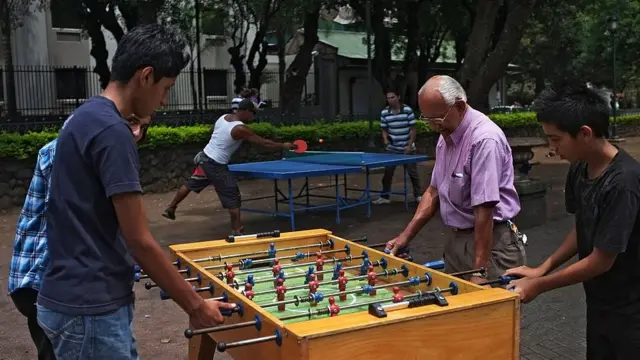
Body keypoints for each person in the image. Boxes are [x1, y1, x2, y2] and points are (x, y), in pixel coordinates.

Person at [36, 24, 236, 360]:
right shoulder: (113, 132)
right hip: (91, 309)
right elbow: (139, 240)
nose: (164, 100)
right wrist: (196, 305)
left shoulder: (85, 116)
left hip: (73, 300)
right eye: (165, 88)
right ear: (145, 76)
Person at [505, 83, 640, 359]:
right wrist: (542, 268)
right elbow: (584, 226)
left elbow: (602, 260)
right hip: (600, 302)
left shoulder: (624, 182)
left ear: (585, 133)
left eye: (555, 139)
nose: (551, 148)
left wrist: (540, 285)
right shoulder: (580, 167)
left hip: (631, 308)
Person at [8, 115, 148, 360]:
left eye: (143, 127)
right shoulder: (70, 150)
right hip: (44, 280)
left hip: (52, 280)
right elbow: (79, 219)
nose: (136, 133)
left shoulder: (94, 145)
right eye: (131, 122)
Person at [385, 75, 526, 284]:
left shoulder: (484, 140)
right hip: (455, 239)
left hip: (490, 243)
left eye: (438, 118)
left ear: (460, 106)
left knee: (490, 314)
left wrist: (480, 269)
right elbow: (434, 191)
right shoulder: (446, 136)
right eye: (427, 119)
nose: (434, 126)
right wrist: (406, 236)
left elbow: (484, 209)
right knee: (459, 312)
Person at [200, 98, 293, 235]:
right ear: (246, 111)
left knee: (194, 184)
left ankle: (172, 208)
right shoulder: (240, 128)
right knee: (233, 196)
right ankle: (237, 230)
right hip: (216, 164)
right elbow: (264, 143)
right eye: (253, 113)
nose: (253, 117)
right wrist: (283, 146)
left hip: (205, 157)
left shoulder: (223, 117)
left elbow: (211, 131)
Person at [372, 90, 422, 204]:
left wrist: (410, 145)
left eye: (392, 97)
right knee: (387, 174)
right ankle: (385, 197)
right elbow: (384, 129)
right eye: (388, 98)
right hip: (392, 150)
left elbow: (413, 129)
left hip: (407, 148)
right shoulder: (385, 112)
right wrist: (385, 139)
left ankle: (418, 196)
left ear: (398, 97)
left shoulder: (407, 110)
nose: (390, 100)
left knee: (412, 173)